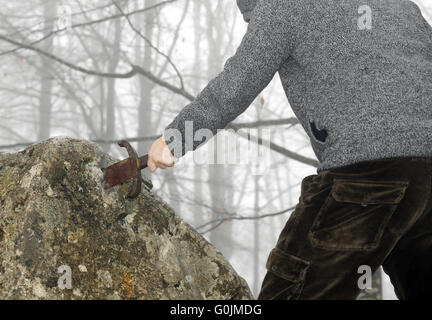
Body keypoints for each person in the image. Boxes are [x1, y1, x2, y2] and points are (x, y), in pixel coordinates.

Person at [147, 0, 432, 299]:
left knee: (291, 291)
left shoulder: (283, 6)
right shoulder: (398, 5)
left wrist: (176, 139)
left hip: (367, 174)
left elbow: (237, 82)